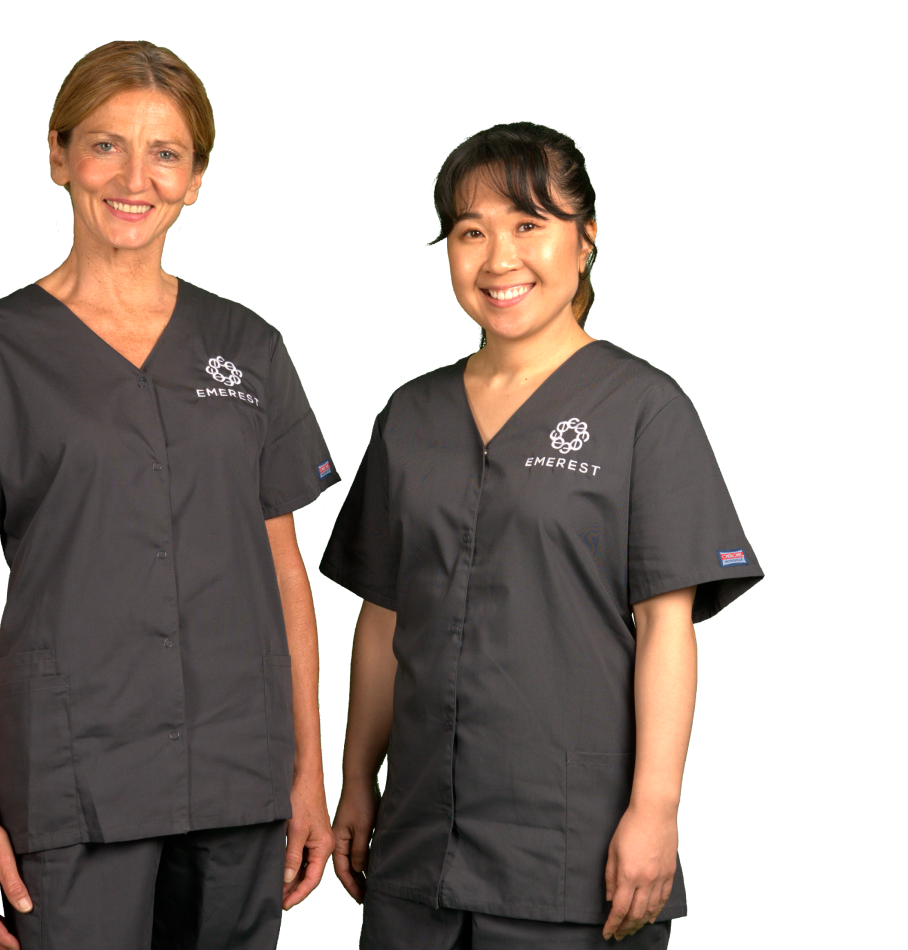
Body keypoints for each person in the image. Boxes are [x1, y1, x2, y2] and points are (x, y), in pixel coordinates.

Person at [0, 40, 339, 950]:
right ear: (58, 157)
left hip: (240, 779)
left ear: (196, 179)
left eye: (166, 152)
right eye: (104, 145)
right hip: (69, 786)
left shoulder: (249, 346)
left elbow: (289, 576)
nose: (135, 177)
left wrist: (307, 775)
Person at [320, 121, 767, 949]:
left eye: (529, 225)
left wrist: (652, 812)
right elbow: (380, 619)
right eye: (471, 232)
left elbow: (666, 626)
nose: (500, 259)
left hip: (575, 862)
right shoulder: (409, 418)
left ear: (586, 239)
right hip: (415, 858)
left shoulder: (645, 412)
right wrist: (352, 780)